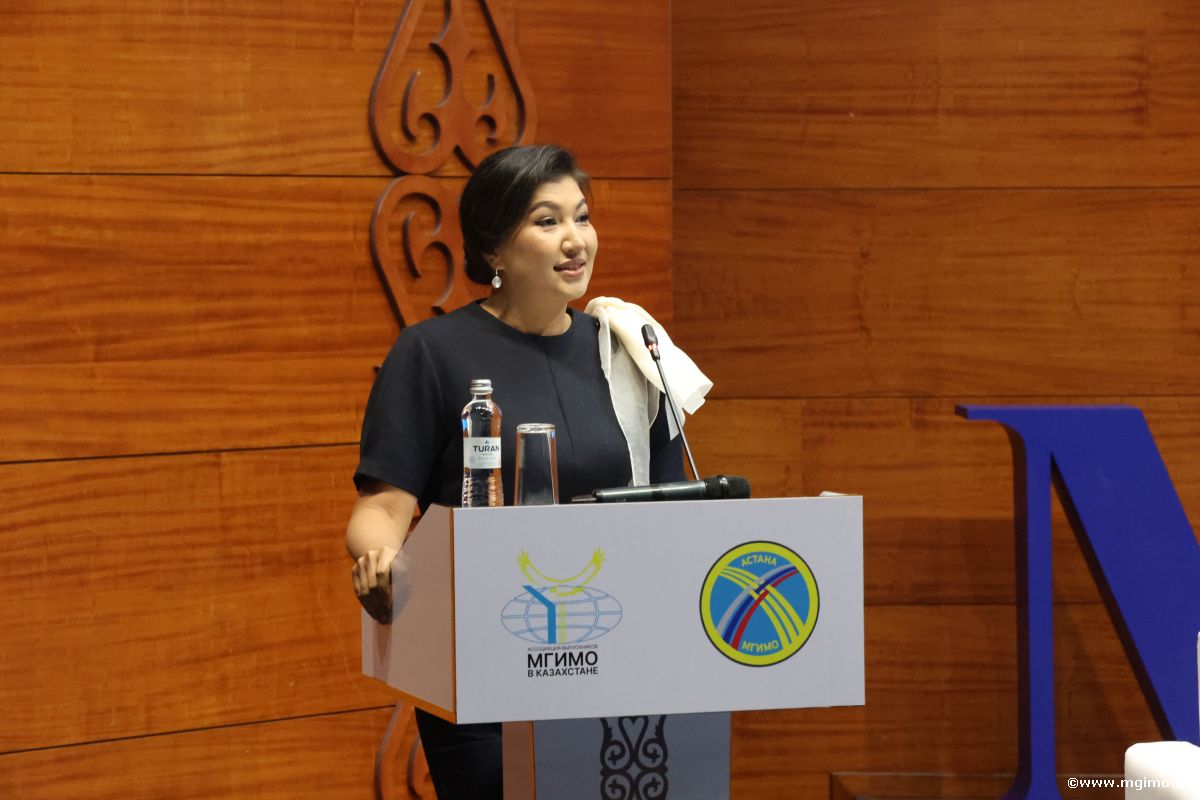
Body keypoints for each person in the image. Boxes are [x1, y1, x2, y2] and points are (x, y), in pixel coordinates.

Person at [345, 144, 688, 799]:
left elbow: (676, 511)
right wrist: (380, 561)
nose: (575, 239)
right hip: (486, 653)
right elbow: (382, 508)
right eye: (547, 221)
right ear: (494, 249)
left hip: (618, 649)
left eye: (581, 217)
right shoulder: (432, 353)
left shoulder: (630, 353)